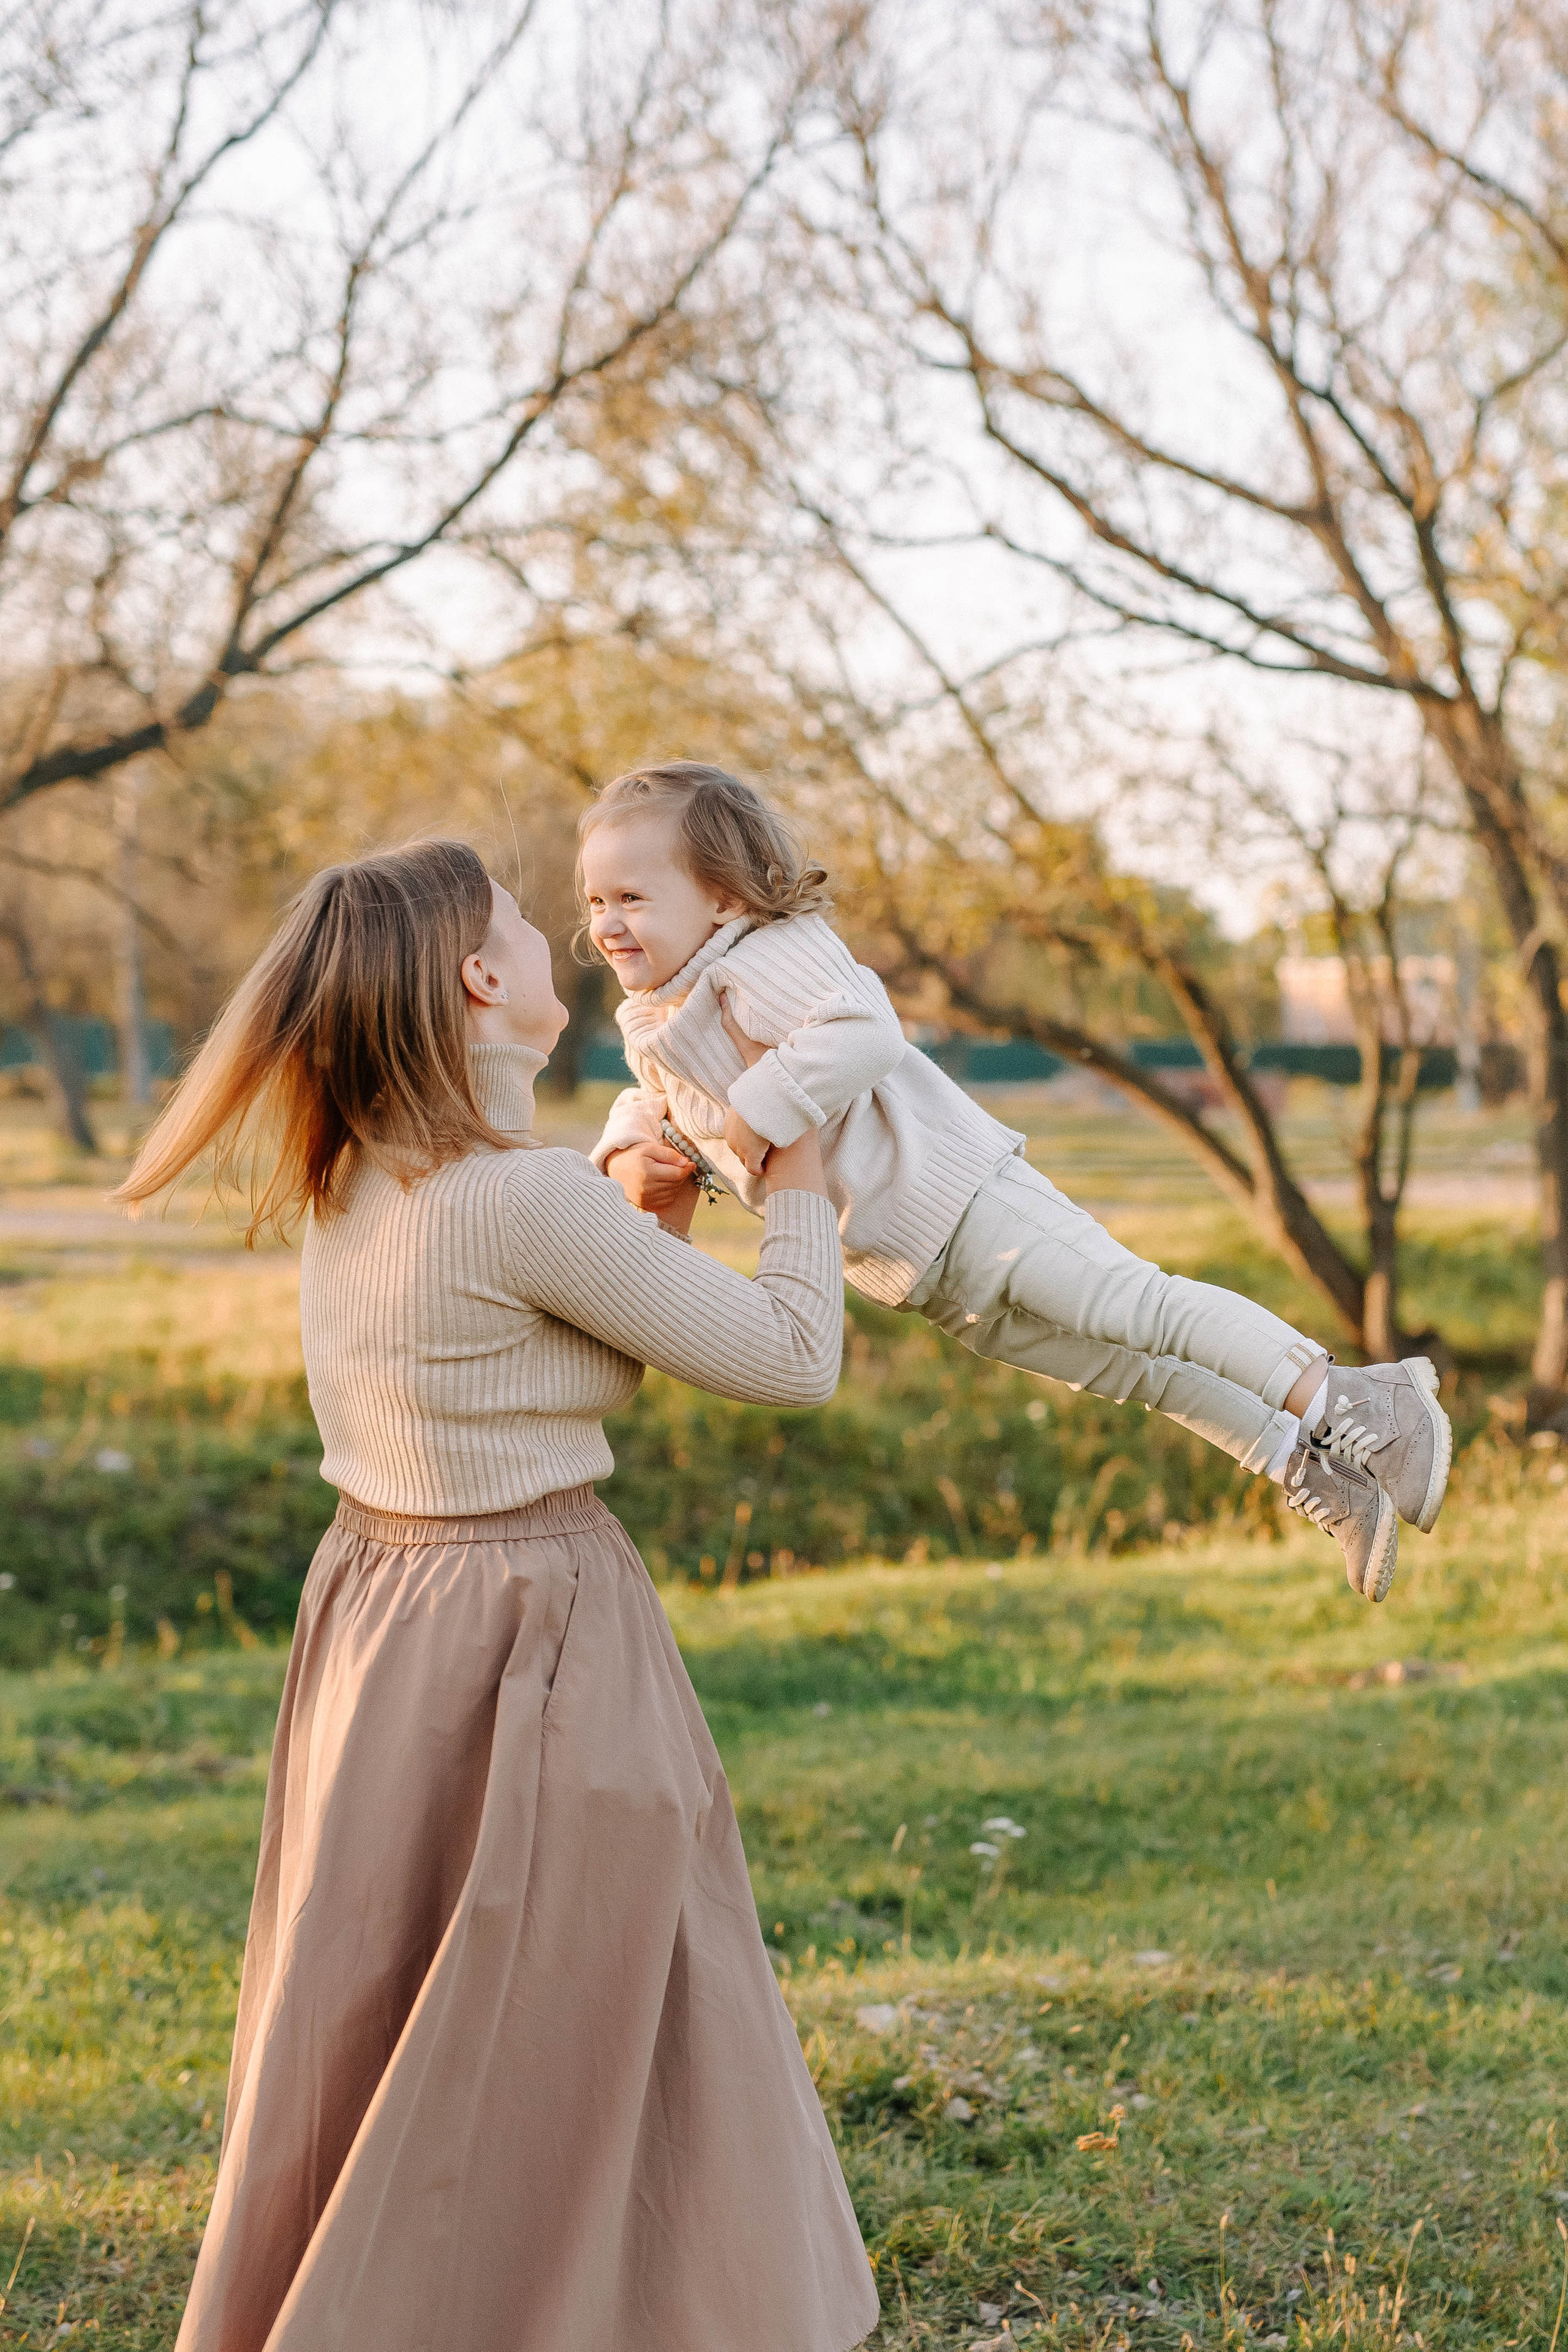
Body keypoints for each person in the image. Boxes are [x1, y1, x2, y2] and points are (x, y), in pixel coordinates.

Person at [117, 840, 879, 2352]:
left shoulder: (367, 1174)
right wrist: (795, 1167)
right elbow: (792, 1359)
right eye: (531, 925)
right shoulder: (522, 1198)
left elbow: (521, 1365)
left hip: (387, 1616)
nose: (567, 940)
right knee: (586, 2002)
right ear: (480, 979)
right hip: (532, 1621)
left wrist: (634, 1213)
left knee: (388, 2003)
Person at [583, 763, 1453, 1606]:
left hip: (963, 1198)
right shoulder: (656, 1012)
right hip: (911, 1264)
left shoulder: (766, 954)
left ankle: (1359, 1397)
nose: (609, 922)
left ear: (725, 896)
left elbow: (866, 1029)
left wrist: (763, 1103)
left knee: (1144, 1309)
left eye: (633, 897)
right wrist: (627, 1144)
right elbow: (658, 1098)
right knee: (1130, 1372)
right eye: (595, 902)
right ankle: (1314, 1470)